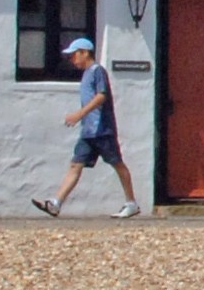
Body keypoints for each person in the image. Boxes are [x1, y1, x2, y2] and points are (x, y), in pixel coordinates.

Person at [36, 38, 138, 217]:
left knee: (117, 164)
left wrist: (79, 114)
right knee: (76, 165)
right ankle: (56, 203)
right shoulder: (86, 74)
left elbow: (101, 96)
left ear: (85, 52)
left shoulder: (97, 71)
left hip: (102, 129)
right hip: (88, 131)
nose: (72, 60)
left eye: (74, 55)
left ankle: (131, 203)